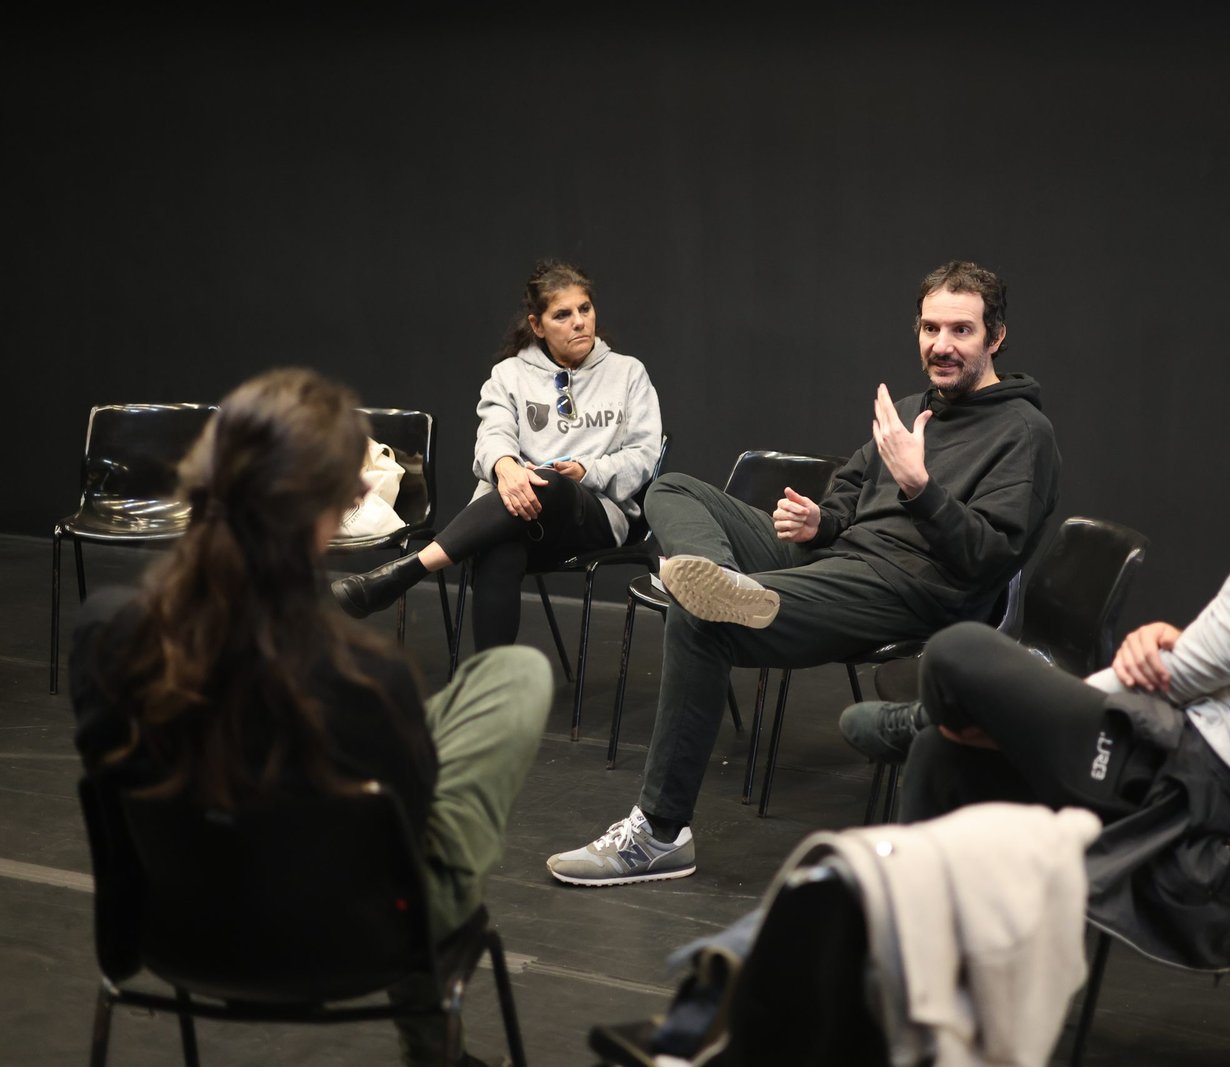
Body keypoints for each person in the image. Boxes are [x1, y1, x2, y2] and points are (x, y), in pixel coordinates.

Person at [847, 310, 1230, 971]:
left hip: (1197, 771)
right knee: (943, 754)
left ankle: (926, 723)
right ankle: (910, 957)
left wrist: (1146, 661)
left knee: (958, 650)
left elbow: (1177, 676)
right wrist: (1179, 643)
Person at [70, 368, 553, 1066]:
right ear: (339, 507)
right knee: (515, 674)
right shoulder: (366, 679)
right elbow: (409, 830)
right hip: (359, 940)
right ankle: (430, 1047)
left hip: (176, 928)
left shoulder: (107, 635)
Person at [546, 259, 1063, 885]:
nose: (941, 346)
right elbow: (850, 488)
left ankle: (658, 833)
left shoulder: (1024, 433)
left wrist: (920, 486)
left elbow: (989, 557)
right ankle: (714, 577)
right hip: (841, 555)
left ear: (996, 338)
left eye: (961, 331)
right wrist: (824, 519)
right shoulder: (909, 409)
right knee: (676, 488)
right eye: (930, 329)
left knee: (699, 621)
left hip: (909, 585)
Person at [332, 259, 664, 652]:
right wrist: (506, 468)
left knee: (551, 482)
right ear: (537, 325)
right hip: (517, 513)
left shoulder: (628, 374)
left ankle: (409, 569)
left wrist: (587, 470)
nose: (579, 321)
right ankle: (494, 686)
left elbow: (644, 456)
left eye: (585, 309)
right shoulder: (509, 375)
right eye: (563, 314)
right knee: (498, 548)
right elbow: (493, 436)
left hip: (593, 515)